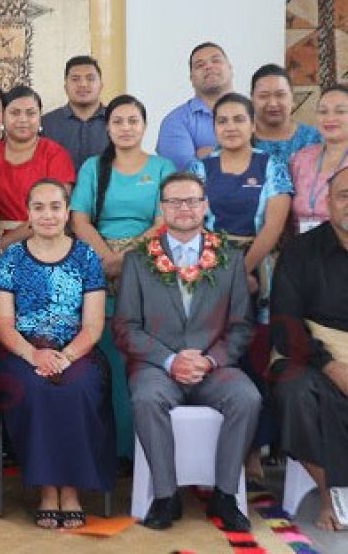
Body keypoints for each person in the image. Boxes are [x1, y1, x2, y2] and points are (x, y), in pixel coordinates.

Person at [114, 171, 259, 532]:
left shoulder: (229, 257)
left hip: (214, 365)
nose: (184, 208)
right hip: (157, 366)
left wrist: (208, 360)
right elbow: (126, 326)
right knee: (146, 398)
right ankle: (166, 496)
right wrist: (170, 360)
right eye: (175, 201)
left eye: (192, 200)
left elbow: (241, 325)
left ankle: (225, 496)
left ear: (205, 205)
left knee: (248, 396)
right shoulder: (137, 260)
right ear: (162, 208)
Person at [0, 179, 113, 529]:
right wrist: (34, 356)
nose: (48, 215)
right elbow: (3, 323)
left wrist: (66, 357)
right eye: (39, 207)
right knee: (37, 389)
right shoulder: (11, 258)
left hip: (77, 351)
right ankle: (47, 491)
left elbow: (93, 325)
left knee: (78, 389)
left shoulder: (86, 256)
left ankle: (72, 492)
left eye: (55, 207)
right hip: (21, 350)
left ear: (67, 212)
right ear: (28, 213)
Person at [70, 95, 176, 461]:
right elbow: (79, 219)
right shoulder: (92, 168)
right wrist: (107, 259)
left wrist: (127, 258)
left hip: (147, 265)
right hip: (97, 265)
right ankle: (107, 451)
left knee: (140, 358)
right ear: (108, 127)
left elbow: (165, 222)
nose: (126, 128)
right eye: (118, 121)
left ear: (144, 126)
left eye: (133, 120)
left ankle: (140, 453)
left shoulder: (162, 168)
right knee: (107, 357)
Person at [270, 165, 348, 532]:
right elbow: (286, 324)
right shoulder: (301, 250)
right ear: (328, 203)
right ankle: (332, 492)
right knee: (293, 390)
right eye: (344, 196)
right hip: (313, 357)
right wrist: (332, 366)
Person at [187, 93, 293, 309]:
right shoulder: (199, 168)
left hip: (260, 263)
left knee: (261, 335)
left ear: (253, 125)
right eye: (222, 121)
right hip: (210, 264)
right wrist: (222, 272)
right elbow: (189, 222)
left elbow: (274, 225)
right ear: (214, 128)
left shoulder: (272, 165)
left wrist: (242, 272)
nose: (230, 127)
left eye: (239, 119)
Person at [0, 85, 76, 264]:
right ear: (2, 117)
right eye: (15, 113)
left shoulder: (55, 155)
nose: (23, 119)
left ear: (40, 118)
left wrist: (5, 243)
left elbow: (56, 210)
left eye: (30, 113)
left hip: (46, 243)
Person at [156, 42, 234, 170]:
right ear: (191, 78)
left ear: (230, 68)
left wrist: (208, 154)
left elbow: (268, 163)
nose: (209, 66)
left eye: (216, 60)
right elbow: (185, 174)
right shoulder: (176, 121)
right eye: (200, 65)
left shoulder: (254, 113)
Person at [290, 85, 348, 233]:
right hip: (303, 247)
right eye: (323, 111)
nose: (330, 118)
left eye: (340, 111)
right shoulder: (301, 159)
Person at [42, 55, 109, 169]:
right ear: (65, 87)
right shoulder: (46, 124)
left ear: (101, 86)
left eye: (90, 78)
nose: (83, 84)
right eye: (75, 79)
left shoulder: (115, 121)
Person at [250, 64, 321, 166]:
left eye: (280, 95)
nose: (273, 103)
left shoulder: (315, 139)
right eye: (263, 96)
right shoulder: (239, 140)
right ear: (252, 100)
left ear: (293, 98)